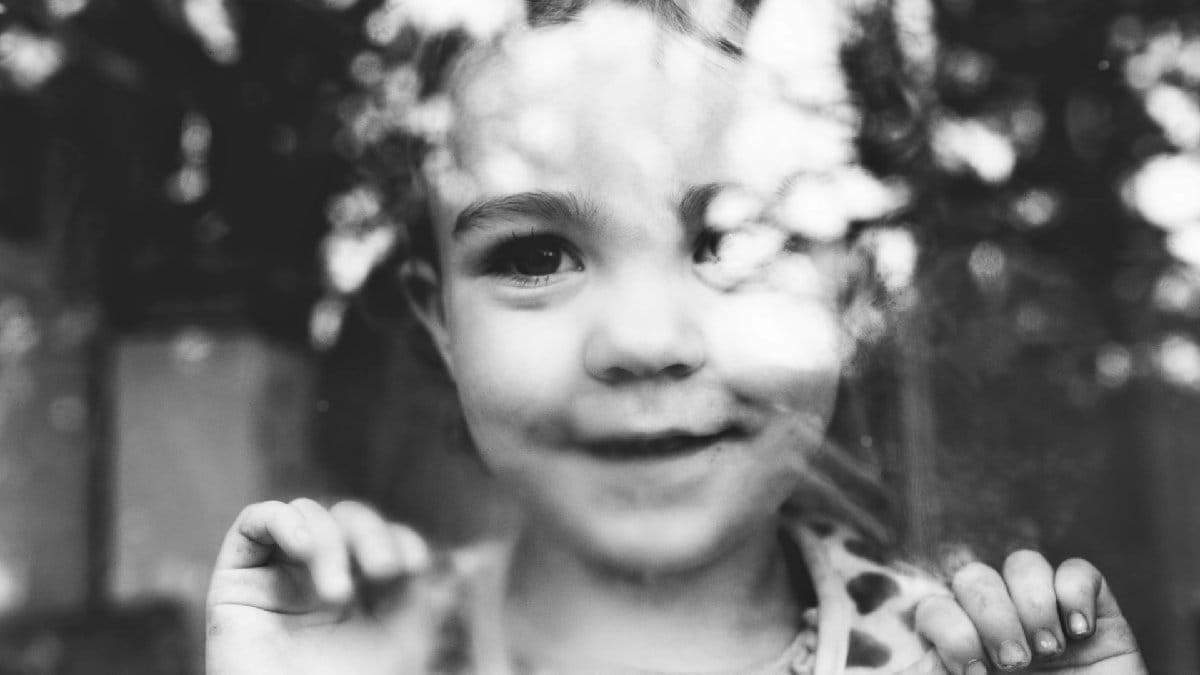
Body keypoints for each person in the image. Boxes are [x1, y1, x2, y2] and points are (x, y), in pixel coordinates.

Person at [205, 1, 1148, 673]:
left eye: (735, 240)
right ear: (440, 320)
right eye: (536, 256)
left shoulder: (948, 657)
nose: (644, 339)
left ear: (853, 292)